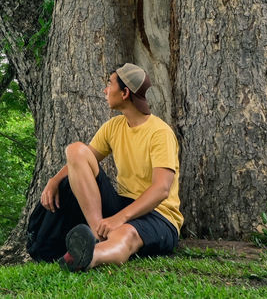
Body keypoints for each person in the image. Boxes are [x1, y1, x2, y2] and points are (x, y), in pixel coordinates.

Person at [25, 63, 182, 271]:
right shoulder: (114, 127)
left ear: (125, 93)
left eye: (110, 84)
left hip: (160, 216)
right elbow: (80, 159)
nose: (105, 90)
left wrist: (119, 218)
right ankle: (96, 234)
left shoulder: (160, 133)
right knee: (76, 150)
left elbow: (161, 189)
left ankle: (90, 256)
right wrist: (54, 181)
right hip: (123, 204)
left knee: (125, 233)